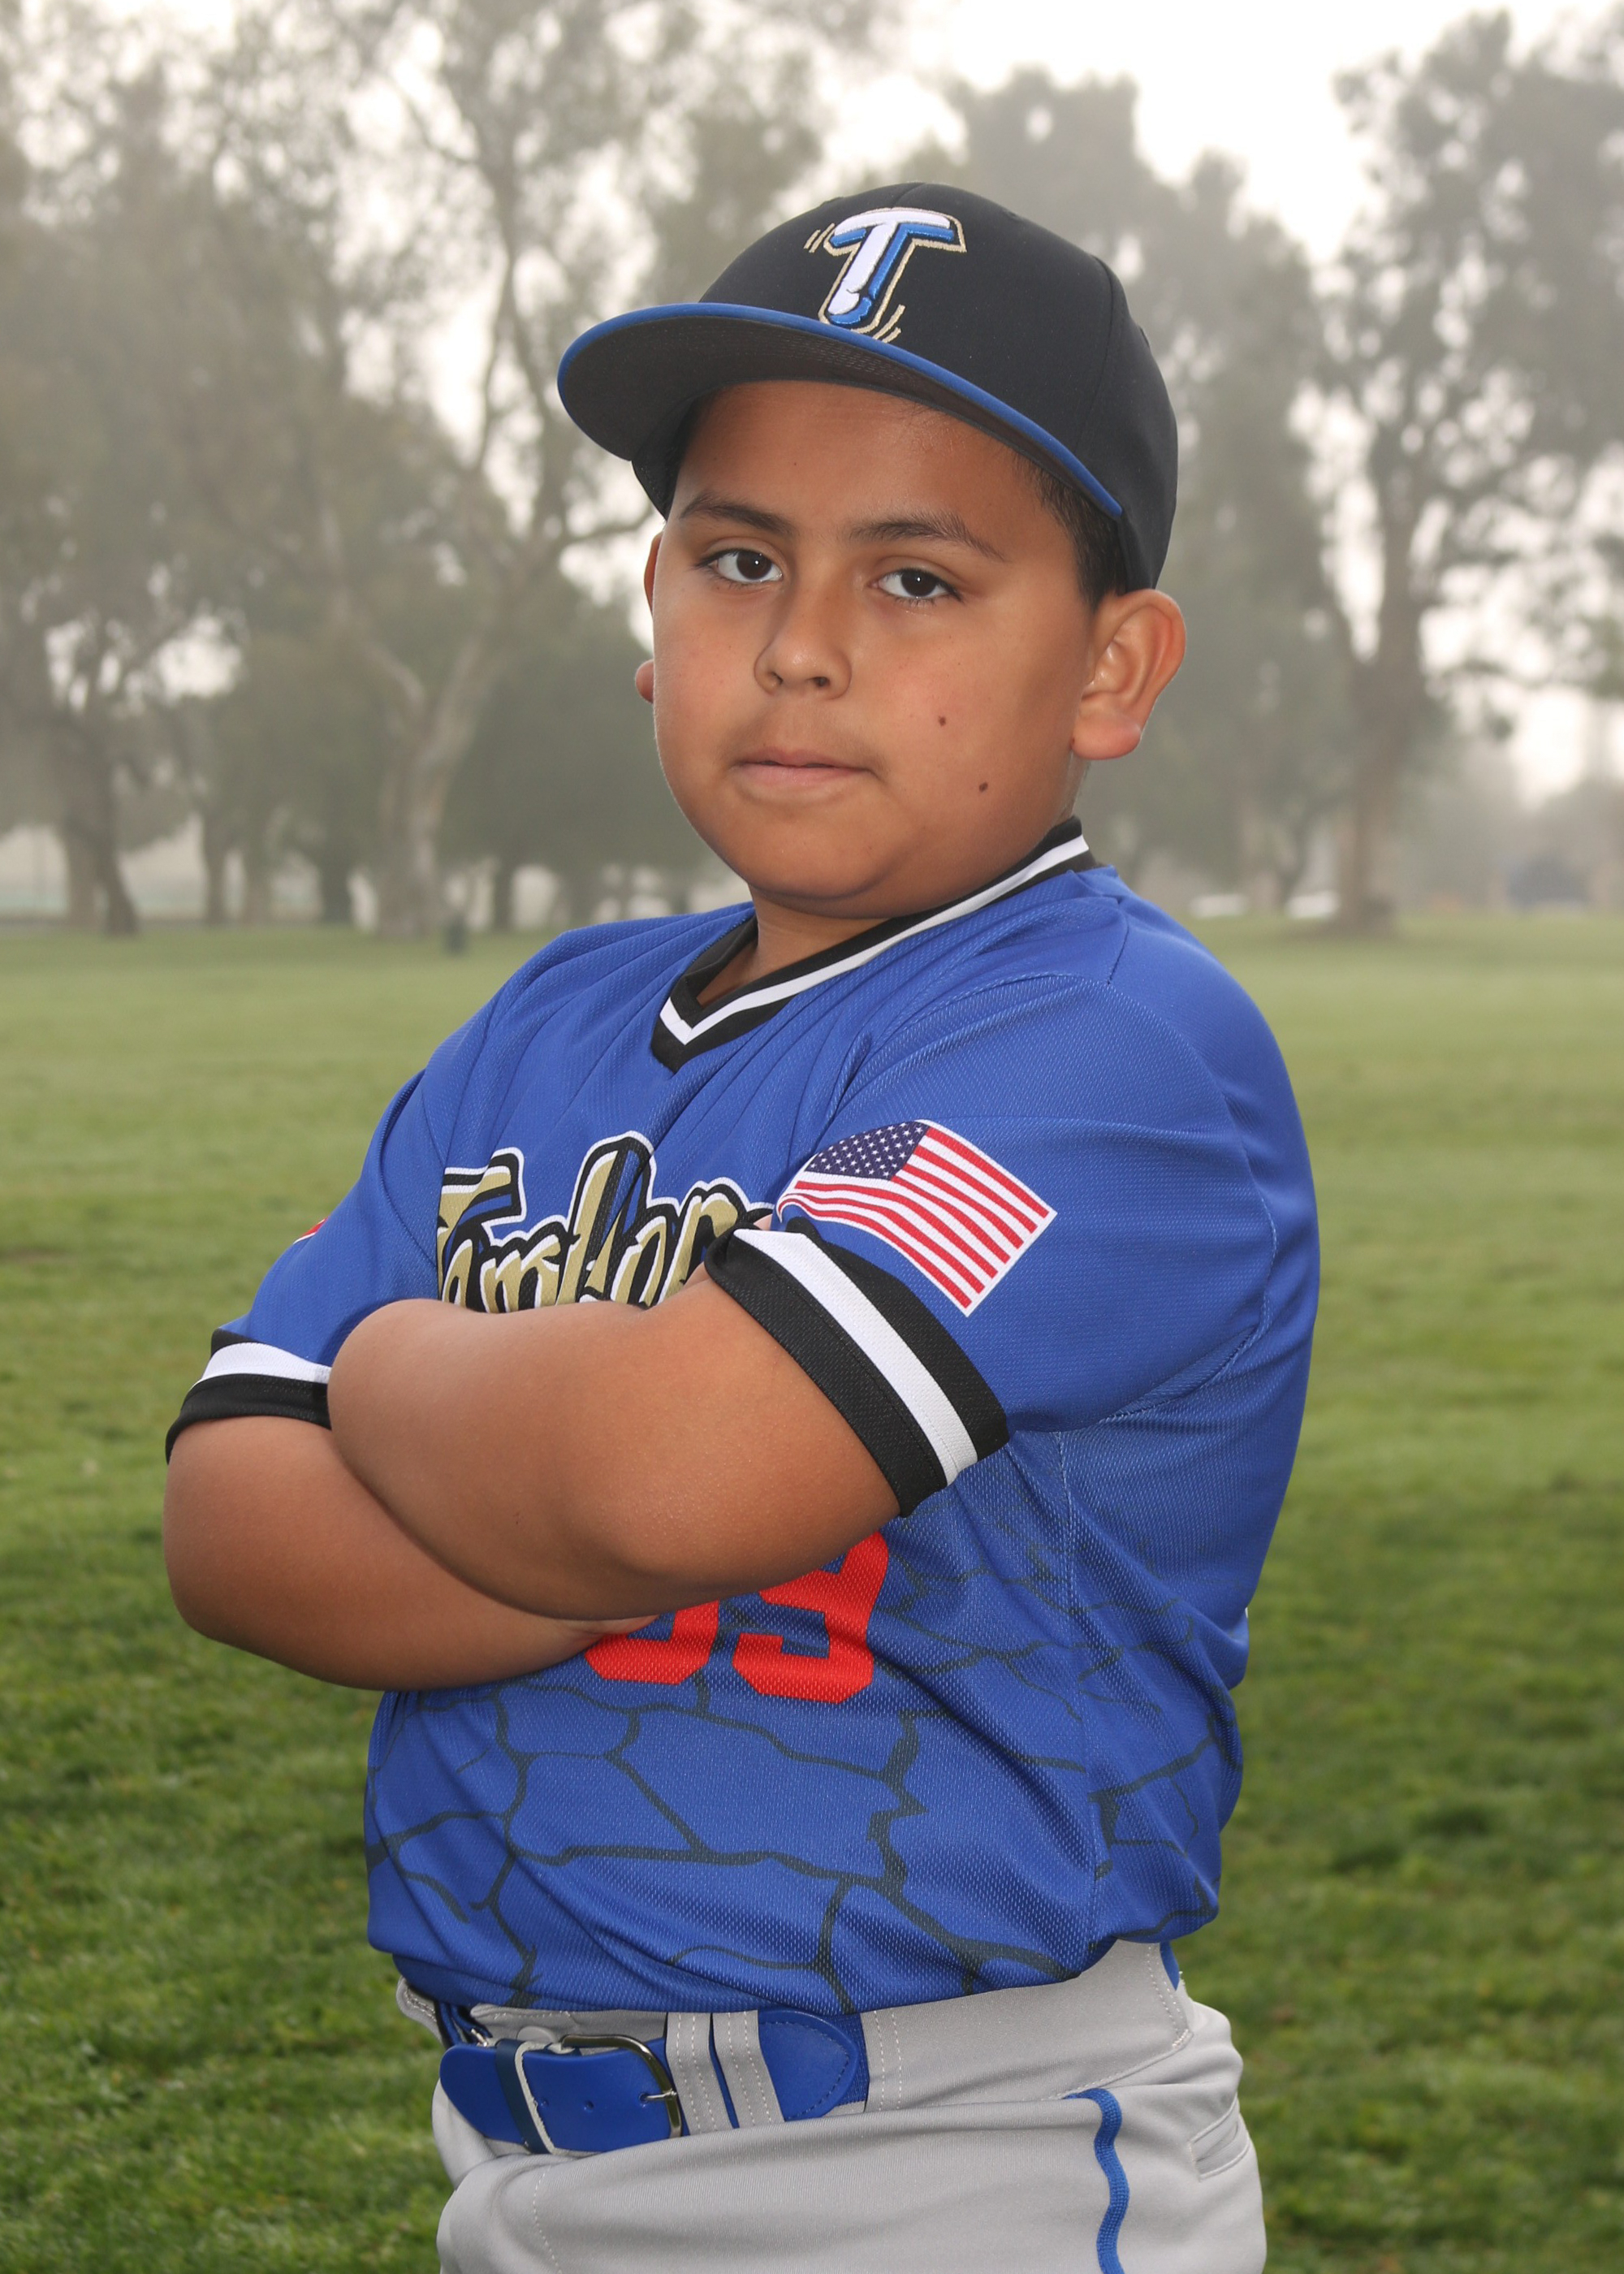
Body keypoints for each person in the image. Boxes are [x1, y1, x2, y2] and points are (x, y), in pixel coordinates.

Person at [163, 184, 1317, 2274]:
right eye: (739, 557)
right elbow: (233, 1515)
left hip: (946, 2157)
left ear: (1110, 666)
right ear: (654, 606)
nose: (800, 642)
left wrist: (408, 1371)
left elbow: (659, 1475)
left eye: (917, 576)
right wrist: (573, 1505)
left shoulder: (1114, 1039)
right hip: (519, 2156)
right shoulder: (547, 1021)